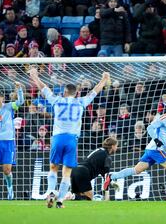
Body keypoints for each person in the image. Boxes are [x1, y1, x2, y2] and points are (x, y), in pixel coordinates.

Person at [29, 68, 110, 208]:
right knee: (67, 172)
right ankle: (60, 201)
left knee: (53, 168)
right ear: (76, 93)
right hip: (72, 140)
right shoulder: (81, 102)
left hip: (57, 138)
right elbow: (94, 92)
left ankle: (50, 192)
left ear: (65, 92)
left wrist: (34, 76)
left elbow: (43, 88)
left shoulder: (57, 100)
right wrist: (104, 79)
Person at [104, 100, 166, 202]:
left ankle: (111, 176)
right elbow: (150, 128)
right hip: (156, 149)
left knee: (136, 170)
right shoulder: (164, 117)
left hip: (151, 149)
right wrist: (156, 140)